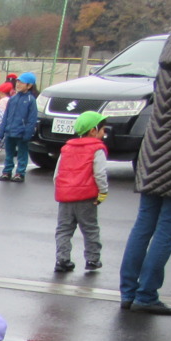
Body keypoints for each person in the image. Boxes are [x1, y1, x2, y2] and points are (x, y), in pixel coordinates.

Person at [119, 19, 171, 316]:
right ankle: (147, 295)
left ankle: (128, 292)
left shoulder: (169, 58)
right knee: (167, 230)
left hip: (154, 149)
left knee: (144, 224)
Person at [53, 111, 109, 275]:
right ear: (93, 130)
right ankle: (92, 259)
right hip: (86, 197)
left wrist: (61, 190)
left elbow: (57, 174)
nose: (104, 133)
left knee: (64, 229)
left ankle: (62, 260)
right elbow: (100, 173)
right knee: (90, 228)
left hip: (65, 197)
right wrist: (103, 192)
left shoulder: (66, 148)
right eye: (102, 129)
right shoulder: (97, 149)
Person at [0, 71, 38, 183]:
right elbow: (6, 116)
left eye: (22, 82)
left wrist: (28, 133)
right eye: (18, 82)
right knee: (9, 154)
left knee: (22, 154)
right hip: (9, 131)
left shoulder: (31, 100)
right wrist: (1, 131)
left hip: (22, 132)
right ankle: (7, 172)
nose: (18, 84)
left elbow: (32, 119)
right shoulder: (13, 99)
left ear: (29, 85)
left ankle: (20, 173)